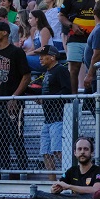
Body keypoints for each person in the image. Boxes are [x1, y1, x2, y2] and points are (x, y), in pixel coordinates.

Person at [0, 20, 30, 172]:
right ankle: (4, 170)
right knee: (0, 140)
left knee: (16, 138)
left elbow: (26, 76)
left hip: (14, 105)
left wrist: (15, 97)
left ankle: (23, 171)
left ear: (5, 32)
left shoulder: (16, 52)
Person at [59, 0, 100, 93]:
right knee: (73, 69)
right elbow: (61, 16)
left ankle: (92, 100)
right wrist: (71, 25)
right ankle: (74, 99)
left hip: (94, 41)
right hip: (75, 39)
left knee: (94, 70)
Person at [36, 45, 69, 173]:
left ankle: (69, 179)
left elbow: (67, 91)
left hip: (59, 118)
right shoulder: (48, 72)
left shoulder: (60, 70)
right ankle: (52, 184)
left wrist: (46, 99)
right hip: (48, 119)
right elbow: (46, 92)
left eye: (43, 55)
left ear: (53, 57)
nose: (40, 58)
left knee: (58, 151)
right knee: (45, 153)